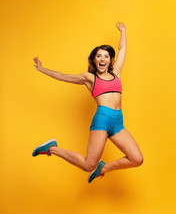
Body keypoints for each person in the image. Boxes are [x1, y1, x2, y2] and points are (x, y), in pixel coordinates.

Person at [32, 22, 144, 183]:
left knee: (137, 159)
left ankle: (102, 169)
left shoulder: (116, 72)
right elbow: (63, 76)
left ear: (110, 60)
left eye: (106, 56)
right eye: (99, 56)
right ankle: (52, 148)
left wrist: (123, 31)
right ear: (94, 60)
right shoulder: (90, 78)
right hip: (102, 121)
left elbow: (123, 49)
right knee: (87, 165)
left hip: (118, 123)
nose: (102, 59)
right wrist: (42, 69)